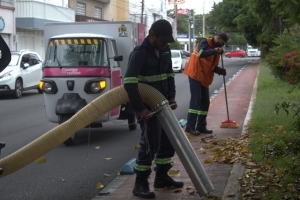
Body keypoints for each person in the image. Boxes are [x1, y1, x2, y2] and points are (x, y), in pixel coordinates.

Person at [124, 19, 183, 199]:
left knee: (167, 141)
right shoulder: (139, 53)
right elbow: (129, 83)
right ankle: (140, 183)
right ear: (152, 36)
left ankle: (162, 177)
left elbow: (169, 75)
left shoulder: (165, 50)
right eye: (162, 39)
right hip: (147, 108)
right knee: (150, 143)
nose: (165, 43)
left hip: (163, 104)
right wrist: (140, 109)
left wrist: (171, 96)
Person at [183, 33, 228, 136]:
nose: (221, 45)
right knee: (196, 100)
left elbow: (211, 66)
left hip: (204, 77)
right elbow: (201, 53)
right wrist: (215, 51)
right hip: (195, 73)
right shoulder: (204, 41)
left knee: (205, 101)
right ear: (218, 38)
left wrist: (220, 70)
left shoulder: (216, 53)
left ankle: (201, 126)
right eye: (222, 42)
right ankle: (190, 127)